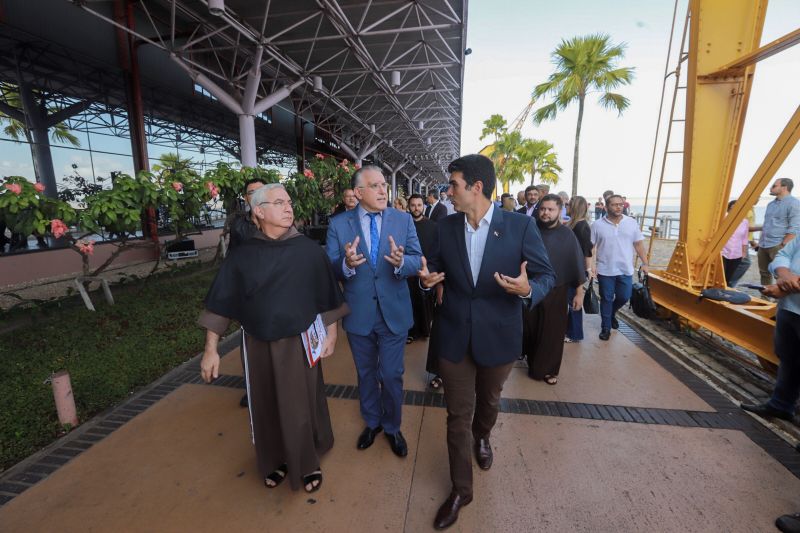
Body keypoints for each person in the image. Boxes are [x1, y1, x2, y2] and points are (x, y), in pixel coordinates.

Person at [418, 154, 555, 530]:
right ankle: (462, 490)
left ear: (476, 187)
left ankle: (483, 436)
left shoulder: (520, 227)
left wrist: (528, 290)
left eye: (454, 185)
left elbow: (546, 275)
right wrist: (428, 280)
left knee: (489, 401)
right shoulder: (445, 226)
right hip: (454, 335)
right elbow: (433, 267)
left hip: (499, 334)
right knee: (456, 415)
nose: (448, 191)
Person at [198, 183, 348, 493]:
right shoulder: (242, 255)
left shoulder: (308, 251)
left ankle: (307, 462)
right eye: (279, 203)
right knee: (264, 405)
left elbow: (328, 295)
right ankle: (273, 460)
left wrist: (331, 333)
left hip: (299, 342)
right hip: (256, 343)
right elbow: (221, 301)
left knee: (300, 404)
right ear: (259, 211)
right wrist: (211, 349)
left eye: (289, 202)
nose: (288, 207)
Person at [326, 165, 422, 458]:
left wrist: (401, 262)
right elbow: (330, 266)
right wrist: (346, 265)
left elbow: (417, 259)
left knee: (391, 374)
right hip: (359, 312)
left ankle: (393, 426)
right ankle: (372, 422)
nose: (383, 190)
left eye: (384, 185)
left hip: (394, 312)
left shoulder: (403, 220)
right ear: (358, 192)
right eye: (375, 186)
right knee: (366, 373)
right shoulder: (338, 224)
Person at [523, 194, 585, 385]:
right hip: (531, 287)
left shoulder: (567, 235)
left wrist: (579, 293)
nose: (545, 213)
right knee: (531, 329)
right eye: (543, 209)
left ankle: (549, 370)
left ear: (559, 211)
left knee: (553, 332)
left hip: (557, 289)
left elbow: (576, 264)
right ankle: (534, 362)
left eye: (550, 209)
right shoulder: (529, 230)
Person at [591, 194, 648, 341]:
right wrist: (592, 266)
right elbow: (592, 247)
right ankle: (605, 328)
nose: (618, 207)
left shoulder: (631, 223)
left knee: (624, 296)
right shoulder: (597, 225)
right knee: (606, 298)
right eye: (614, 204)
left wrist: (645, 263)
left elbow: (638, 244)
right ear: (606, 207)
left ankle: (611, 313)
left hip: (625, 269)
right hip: (605, 269)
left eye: (621, 204)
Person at [751, 178, 800, 285]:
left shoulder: (794, 203)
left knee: (781, 275)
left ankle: (781, 295)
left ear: (784, 187)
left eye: (774, 186)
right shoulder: (770, 204)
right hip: (764, 245)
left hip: (778, 245)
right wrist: (760, 243)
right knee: (764, 273)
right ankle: (765, 294)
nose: (770, 188)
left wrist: (783, 245)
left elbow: (795, 227)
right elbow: (767, 225)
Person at [407, 194, 438, 344]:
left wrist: (430, 268)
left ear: (423, 206)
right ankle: (411, 332)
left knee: (426, 302)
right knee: (410, 302)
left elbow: (436, 249)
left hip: (427, 270)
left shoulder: (433, 226)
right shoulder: (404, 225)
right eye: (413, 205)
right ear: (409, 207)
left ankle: (425, 330)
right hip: (408, 271)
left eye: (419, 205)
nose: (416, 208)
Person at [565, 196, 593, 342]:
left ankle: (574, 334)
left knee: (574, 302)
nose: (566, 207)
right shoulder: (574, 224)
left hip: (576, 270)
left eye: (568, 205)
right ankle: (571, 332)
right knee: (571, 301)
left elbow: (587, 251)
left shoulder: (582, 227)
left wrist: (588, 270)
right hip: (572, 268)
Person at [722, 200, 750, 286]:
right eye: (731, 208)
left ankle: (726, 290)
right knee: (721, 277)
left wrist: (744, 253)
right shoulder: (723, 220)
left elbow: (744, 239)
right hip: (723, 253)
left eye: (737, 208)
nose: (734, 211)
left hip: (737, 254)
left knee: (729, 277)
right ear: (728, 210)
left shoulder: (745, 222)